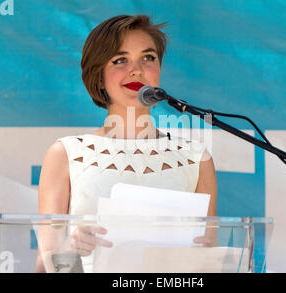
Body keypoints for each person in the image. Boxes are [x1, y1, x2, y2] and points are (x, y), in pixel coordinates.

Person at [36, 14, 217, 273]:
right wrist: (70, 247)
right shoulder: (65, 153)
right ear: (98, 77)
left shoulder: (196, 158)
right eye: (120, 60)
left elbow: (207, 257)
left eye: (148, 58)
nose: (137, 70)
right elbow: (42, 267)